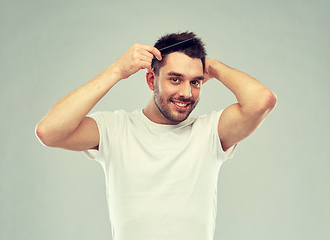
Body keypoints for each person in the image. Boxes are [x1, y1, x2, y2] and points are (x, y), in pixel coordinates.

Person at [35, 31, 277, 240]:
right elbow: (49, 131)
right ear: (152, 80)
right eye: (175, 79)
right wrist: (117, 70)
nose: (186, 92)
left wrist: (212, 66)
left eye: (196, 82)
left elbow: (262, 101)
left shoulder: (210, 132)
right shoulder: (115, 128)